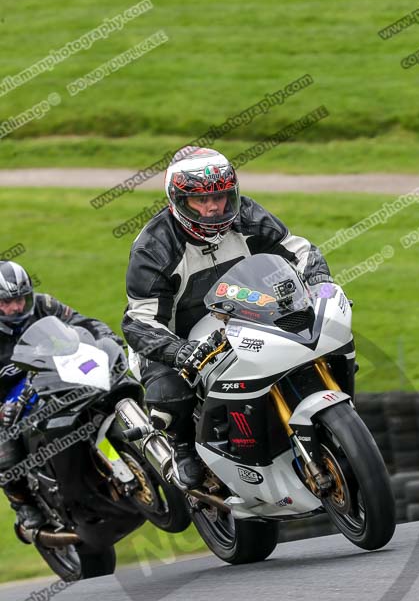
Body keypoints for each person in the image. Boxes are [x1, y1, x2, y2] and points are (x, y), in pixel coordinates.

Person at [122, 146, 333, 490]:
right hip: (176, 335)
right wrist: (178, 353)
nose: (213, 208)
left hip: (245, 312)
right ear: (178, 200)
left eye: (220, 197)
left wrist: (321, 282)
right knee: (169, 395)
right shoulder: (154, 247)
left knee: (310, 340)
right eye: (200, 201)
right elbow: (139, 321)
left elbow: (299, 250)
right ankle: (183, 447)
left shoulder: (246, 215)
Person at [0, 261, 123, 533]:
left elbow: (81, 322)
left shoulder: (43, 305)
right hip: (8, 400)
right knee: (4, 448)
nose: (16, 307)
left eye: (20, 298)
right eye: (6, 302)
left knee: (101, 390)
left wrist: (105, 336)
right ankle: (24, 506)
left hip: (50, 374)